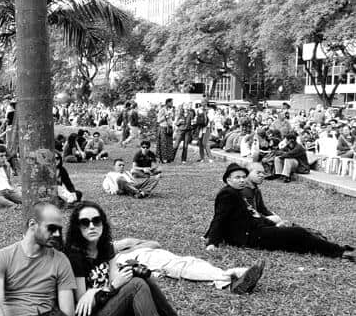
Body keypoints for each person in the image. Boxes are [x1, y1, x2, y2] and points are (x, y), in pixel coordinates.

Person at [64, 202, 194, 316]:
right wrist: (110, 288)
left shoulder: (105, 247)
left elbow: (116, 280)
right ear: (77, 227)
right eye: (85, 223)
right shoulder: (75, 256)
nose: (92, 226)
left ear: (103, 223)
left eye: (96, 221)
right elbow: (83, 308)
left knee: (140, 276)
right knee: (136, 285)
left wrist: (96, 290)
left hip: (113, 313)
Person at [205, 163, 355, 260]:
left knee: (295, 241)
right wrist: (212, 242)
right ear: (228, 180)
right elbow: (219, 217)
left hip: (255, 231)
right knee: (297, 233)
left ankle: (338, 251)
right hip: (249, 236)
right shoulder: (228, 194)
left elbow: (254, 214)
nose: (242, 180)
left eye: (243, 177)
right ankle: (341, 252)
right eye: (237, 177)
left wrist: (273, 223)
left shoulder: (237, 192)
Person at [112, 238, 265, 294]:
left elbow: (155, 244)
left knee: (186, 264)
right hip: (134, 264)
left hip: (143, 255)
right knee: (180, 268)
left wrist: (127, 246)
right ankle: (232, 279)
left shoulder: (116, 245)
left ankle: (232, 277)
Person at [156, 99, 175, 163]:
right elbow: (158, 120)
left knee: (169, 144)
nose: (172, 104)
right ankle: (163, 158)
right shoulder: (162, 110)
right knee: (163, 144)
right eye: (171, 103)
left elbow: (173, 119)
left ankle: (168, 158)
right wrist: (165, 116)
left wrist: (172, 113)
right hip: (163, 128)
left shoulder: (170, 110)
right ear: (167, 103)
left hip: (169, 128)